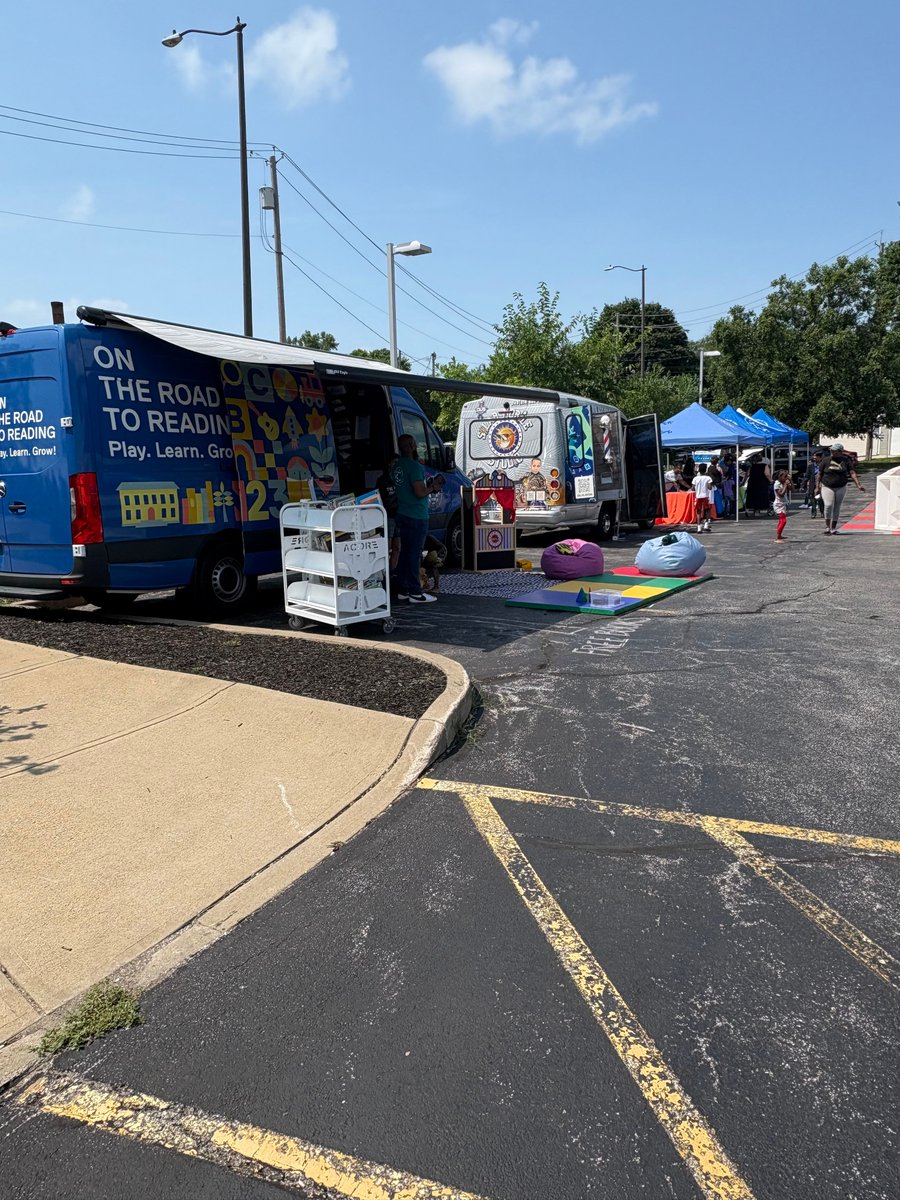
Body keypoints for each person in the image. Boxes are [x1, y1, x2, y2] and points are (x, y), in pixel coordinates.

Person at [390, 434, 445, 602]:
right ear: (413, 445)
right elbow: (419, 491)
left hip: (402, 512)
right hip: (417, 514)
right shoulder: (415, 467)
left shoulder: (396, 467)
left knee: (404, 553)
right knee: (414, 554)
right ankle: (415, 591)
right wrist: (432, 488)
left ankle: (403, 589)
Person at [816, 441, 865, 535]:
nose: (833, 452)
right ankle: (827, 526)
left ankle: (833, 527)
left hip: (841, 486)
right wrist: (817, 486)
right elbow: (819, 474)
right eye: (832, 450)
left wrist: (858, 484)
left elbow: (852, 473)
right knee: (828, 505)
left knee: (837, 506)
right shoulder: (826, 460)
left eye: (835, 451)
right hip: (827, 485)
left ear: (840, 452)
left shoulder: (846, 460)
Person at [376, 452, 401, 571]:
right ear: (388, 464)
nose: (395, 465)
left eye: (397, 463)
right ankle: (384, 574)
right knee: (387, 546)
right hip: (388, 516)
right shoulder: (382, 480)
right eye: (393, 463)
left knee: (397, 547)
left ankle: (391, 572)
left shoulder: (401, 480)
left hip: (399, 515)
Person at [691, 463, 714, 532]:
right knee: (707, 510)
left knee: (698, 511)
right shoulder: (708, 478)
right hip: (705, 496)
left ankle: (699, 527)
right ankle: (706, 524)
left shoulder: (695, 478)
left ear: (698, 470)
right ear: (706, 470)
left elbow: (692, 488)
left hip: (698, 496)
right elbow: (710, 488)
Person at [773, 469, 791, 541]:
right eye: (785, 476)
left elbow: (792, 489)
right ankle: (777, 537)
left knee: (781, 521)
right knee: (783, 521)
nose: (786, 478)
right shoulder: (777, 484)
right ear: (780, 477)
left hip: (782, 504)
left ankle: (779, 535)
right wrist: (785, 485)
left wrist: (790, 481)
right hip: (778, 505)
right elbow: (781, 495)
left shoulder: (783, 483)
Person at [804, 452, 823, 518]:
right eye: (814, 457)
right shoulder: (810, 466)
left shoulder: (823, 465)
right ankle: (813, 513)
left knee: (820, 499)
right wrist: (803, 485)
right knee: (813, 500)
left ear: (820, 458)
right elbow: (807, 476)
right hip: (812, 485)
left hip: (821, 485)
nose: (814, 458)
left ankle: (822, 512)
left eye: (816, 457)